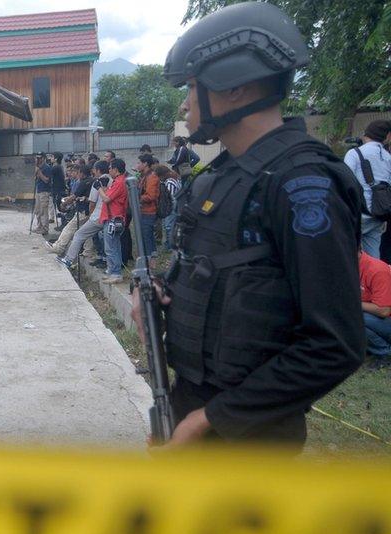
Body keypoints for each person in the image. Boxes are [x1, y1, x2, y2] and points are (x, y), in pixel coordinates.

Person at [136, 1, 364, 448]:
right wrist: (160, 294)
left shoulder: (303, 184)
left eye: (193, 86)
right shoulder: (222, 176)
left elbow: (334, 344)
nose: (185, 103)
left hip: (247, 436)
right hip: (190, 403)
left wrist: (210, 420)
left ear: (235, 87)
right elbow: (218, 272)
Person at [344, 120, 391, 259]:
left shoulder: (354, 153)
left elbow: (345, 182)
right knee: (373, 258)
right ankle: (374, 281)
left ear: (366, 135)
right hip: (379, 214)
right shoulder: (388, 157)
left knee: (349, 257)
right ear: (387, 136)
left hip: (357, 215)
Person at [59, 160, 110, 268]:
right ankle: (105, 261)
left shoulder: (98, 182)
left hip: (97, 215)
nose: (93, 171)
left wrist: (91, 216)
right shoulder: (111, 180)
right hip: (109, 215)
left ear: (98, 170)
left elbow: (92, 202)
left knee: (79, 234)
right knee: (106, 240)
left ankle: (68, 259)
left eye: (95, 170)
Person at [359, 250, 391, 369]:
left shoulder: (377, 269)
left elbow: (384, 310)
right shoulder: (347, 267)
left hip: (385, 319)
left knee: (354, 317)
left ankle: (385, 353)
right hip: (379, 322)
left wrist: (352, 303)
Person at [99, 158, 128, 283]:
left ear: (116, 170)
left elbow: (106, 199)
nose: (109, 170)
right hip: (110, 217)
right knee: (112, 246)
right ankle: (112, 270)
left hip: (114, 218)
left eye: (110, 168)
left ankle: (116, 273)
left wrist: (98, 188)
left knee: (111, 247)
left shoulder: (119, 182)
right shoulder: (116, 181)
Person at [135, 154, 160, 257]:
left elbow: (151, 196)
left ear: (145, 164)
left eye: (138, 163)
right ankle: (150, 257)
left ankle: (149, 261)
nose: (137, 165)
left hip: (149, 212)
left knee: (147, 237)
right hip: (143, 211)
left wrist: (137, 198)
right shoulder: (144, 176)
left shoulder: (152, 177)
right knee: (146, 236)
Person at [155, 164, 182, 250]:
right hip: (174, 206)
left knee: (169, 226)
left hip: (171, 207)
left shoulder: (169, 182)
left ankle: (170, 246)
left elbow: (170, 197)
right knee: (169, 226)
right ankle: (168, 244)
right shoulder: (173, 180)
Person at [31, 154, 53, 235]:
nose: (37, 160)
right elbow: (35, 178)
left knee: (43, 211)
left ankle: (45, 228)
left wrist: (39, 172)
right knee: (37, 210)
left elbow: (47, 180)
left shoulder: (47, 167)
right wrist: (36, 172)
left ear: (43, 159)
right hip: (38, 190)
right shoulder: (38, 167)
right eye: (37, 158)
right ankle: (39, 226)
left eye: (39, 158)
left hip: (44, 191)